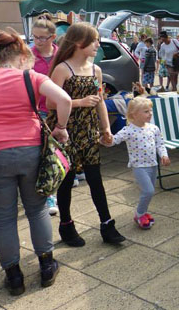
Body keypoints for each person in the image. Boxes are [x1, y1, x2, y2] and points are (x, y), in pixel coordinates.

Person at [0, 28, 72, 295]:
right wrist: (60, 127)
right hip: (30, 150)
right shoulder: (31, 77)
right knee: (36, 210)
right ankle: (47, 266)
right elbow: (64, 99)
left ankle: (14, 277)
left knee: (2, 219)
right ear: (23, 55)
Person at [47, 22, 126, 247]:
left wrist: (106, 129)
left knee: (95, 179)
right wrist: (80, 102)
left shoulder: (95, 69)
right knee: (67, 180)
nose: (98, 45)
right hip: (66, 132)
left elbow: (100, 101)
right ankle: (66, 225)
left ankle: (107, 225)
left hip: (89, 131)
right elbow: (51, 103)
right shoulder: (62, 69)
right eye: (94, 41)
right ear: (80, 43)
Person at [102, 98, 170, 229]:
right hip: (139, 166)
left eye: (150, 110)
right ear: (134, 114)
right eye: (146, 111)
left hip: (153, 164)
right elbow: (113, 141)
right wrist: (105, 139)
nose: (150, 113)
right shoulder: (128, 130)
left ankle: (143, 212)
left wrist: (164, 155)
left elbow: (160, 144)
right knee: (148, 191)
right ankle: (139, 214)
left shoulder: (153, 128)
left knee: (150, 191)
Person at [30, 14, 60, 216]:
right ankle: (50, 196)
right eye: (35, 37)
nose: (38, 42)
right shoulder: (28, 56)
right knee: (44, 154)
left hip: (61, 109)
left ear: (53, 37)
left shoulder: (61, 55)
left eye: (43, 38)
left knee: (59, 150)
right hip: (38, 111)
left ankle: (64, 178)